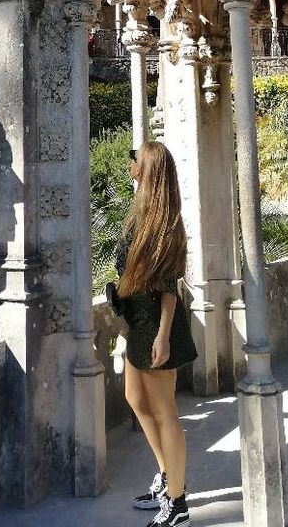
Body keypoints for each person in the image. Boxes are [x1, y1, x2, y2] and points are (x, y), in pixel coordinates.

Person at [117, 140, 196, 527]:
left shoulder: (167, 223)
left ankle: (178, 504)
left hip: (157, 326)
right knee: (135, 398)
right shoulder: (141, 214)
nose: (130, 163)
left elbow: (169, 291)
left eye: (136, 159)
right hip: (137, 322)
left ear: (148, 168)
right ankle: (168, 476)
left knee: (166, 412)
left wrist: (163, 337)